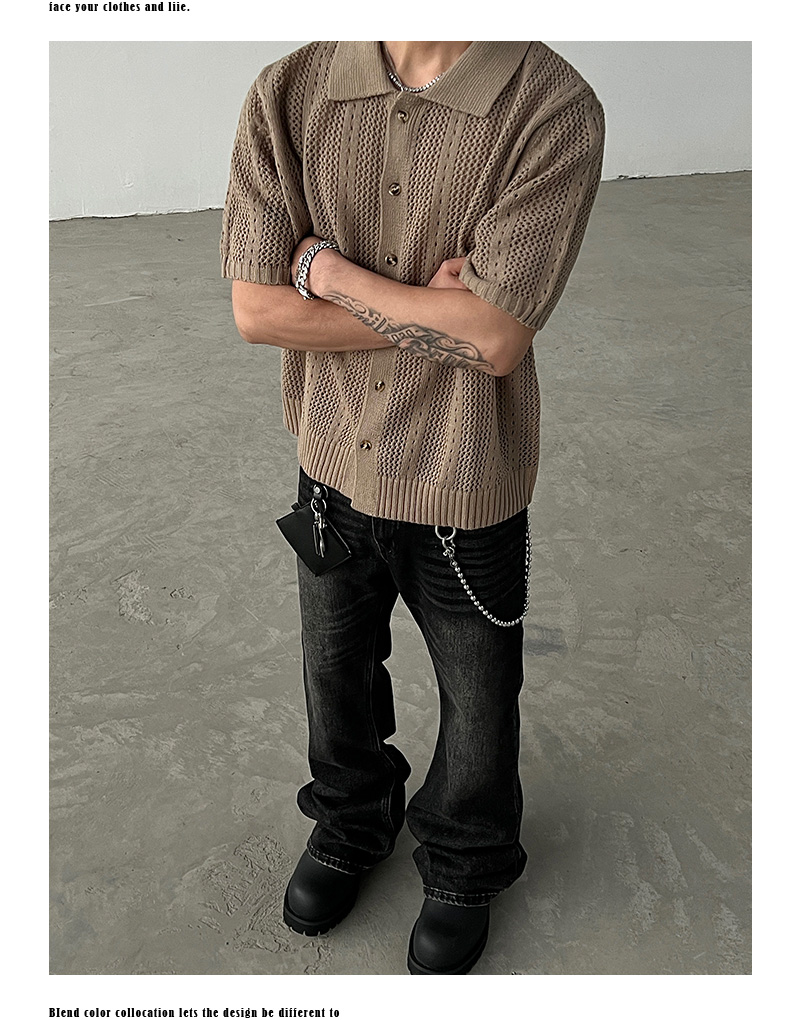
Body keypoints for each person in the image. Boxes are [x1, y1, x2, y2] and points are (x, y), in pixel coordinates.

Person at [220, 40, 605, 975]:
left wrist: (331, 274)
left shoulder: (551, 107)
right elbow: (258, 312)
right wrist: (429, 312)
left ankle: (465, 865)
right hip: (331, 465)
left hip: (464, 476)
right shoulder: (289, 92)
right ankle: (352, 819)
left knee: (479, 700)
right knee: (333, 674)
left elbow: (497, 338)